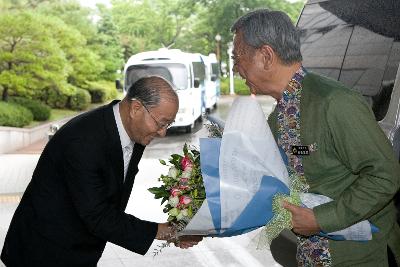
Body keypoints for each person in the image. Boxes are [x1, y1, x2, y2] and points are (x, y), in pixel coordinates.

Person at [231, 9, 400, 266]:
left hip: (360, 257)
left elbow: (384, 175)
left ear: (266, 56)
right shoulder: (278, 117)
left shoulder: (335, 103)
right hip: (310, 255)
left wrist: (322, 219)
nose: (235, 69)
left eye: (237, 57)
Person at [1, 76, 201, 267]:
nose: (163, 132)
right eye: (161, 123)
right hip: (43, 252)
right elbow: (98, 215)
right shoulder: (83, 141)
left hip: (80, 247)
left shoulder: (132, 131)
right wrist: (167, 231)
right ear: (136, 108)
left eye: (168, 124)